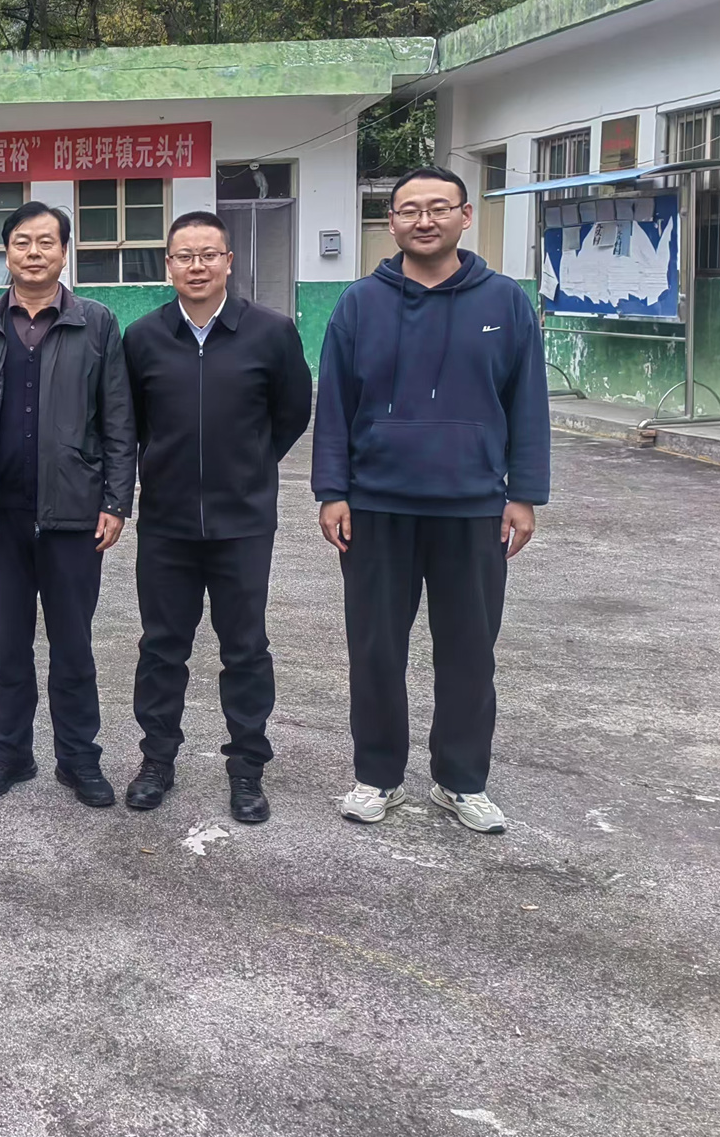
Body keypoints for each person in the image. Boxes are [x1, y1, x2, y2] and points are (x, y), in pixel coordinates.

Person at [312, 165, 550, 835]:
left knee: (470, 653)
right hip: (376, 507)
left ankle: (461, 780)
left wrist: (525, 494)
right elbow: (334, 405)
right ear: (391, 222)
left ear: (464, 216)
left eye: (439, 207)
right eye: (410, 209)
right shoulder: (360, 304)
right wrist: (332, 491)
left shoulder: (505, 303)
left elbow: (527, 403)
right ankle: (377, 775)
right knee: (376, 651)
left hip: (473, 508)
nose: (425, 220)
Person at [0, 201, 135, 808]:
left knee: (73, 644)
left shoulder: (96, 322)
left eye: (46, 242)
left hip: (74, 513)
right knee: (8, 644)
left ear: (64, 252)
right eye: (22, 241)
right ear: (7, 251)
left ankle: (79, 759)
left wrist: (117, 501)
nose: (33, 252)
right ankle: (10, 754)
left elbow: (118, 419)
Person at [121, 210, 312, 823]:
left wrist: (250, 464)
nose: (197, 266)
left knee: (246, 649)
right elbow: (132, 423)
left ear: (229, 261)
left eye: (209, 254)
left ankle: (247, 768)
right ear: (168, 265)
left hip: (244, 523)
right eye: (185, 256)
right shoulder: (143, 337)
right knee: (161, 647)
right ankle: (157, 760)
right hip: (167, 523)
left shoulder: (271, 332)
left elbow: (292, 412)